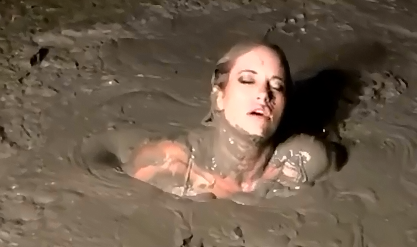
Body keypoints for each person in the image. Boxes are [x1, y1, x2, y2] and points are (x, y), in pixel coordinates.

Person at [127, 41, 332, 199]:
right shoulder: (166, 166)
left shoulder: (303, 161)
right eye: (247, 80)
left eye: (277, 86)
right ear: (219, 97)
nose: (264, 94)